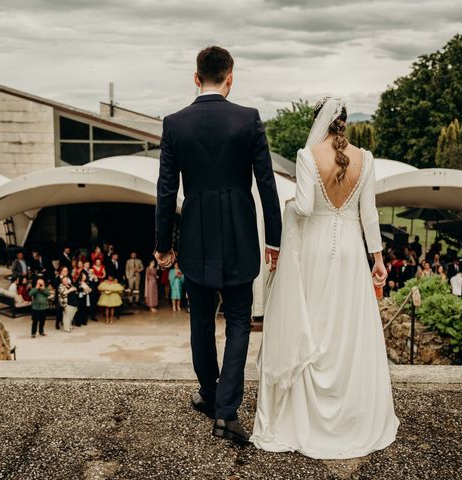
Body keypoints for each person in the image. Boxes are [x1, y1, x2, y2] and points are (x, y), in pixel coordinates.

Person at [252, 97, 398, 459]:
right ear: (344, 122)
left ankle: (307, 417)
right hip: (350, 251)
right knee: (348, 330)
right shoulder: (366, 159)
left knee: (314, 324)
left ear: (318, 121)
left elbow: (302, 207)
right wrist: (377, 258)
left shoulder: (307, 156)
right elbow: (369, 216)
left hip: (316, 249)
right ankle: (352, 413)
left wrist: (287, 208)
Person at [154, 46, 282, 445]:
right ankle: (226, 414)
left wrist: (163, 244)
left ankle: (209, 396)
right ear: (231, 77)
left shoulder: (174, 124)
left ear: (196, 78)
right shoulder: (248, 119)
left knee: (200, 321)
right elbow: (266, 184)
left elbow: (165, 191)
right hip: (241, 235)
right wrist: (274, 239)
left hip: (195, 236)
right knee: (240, 321)